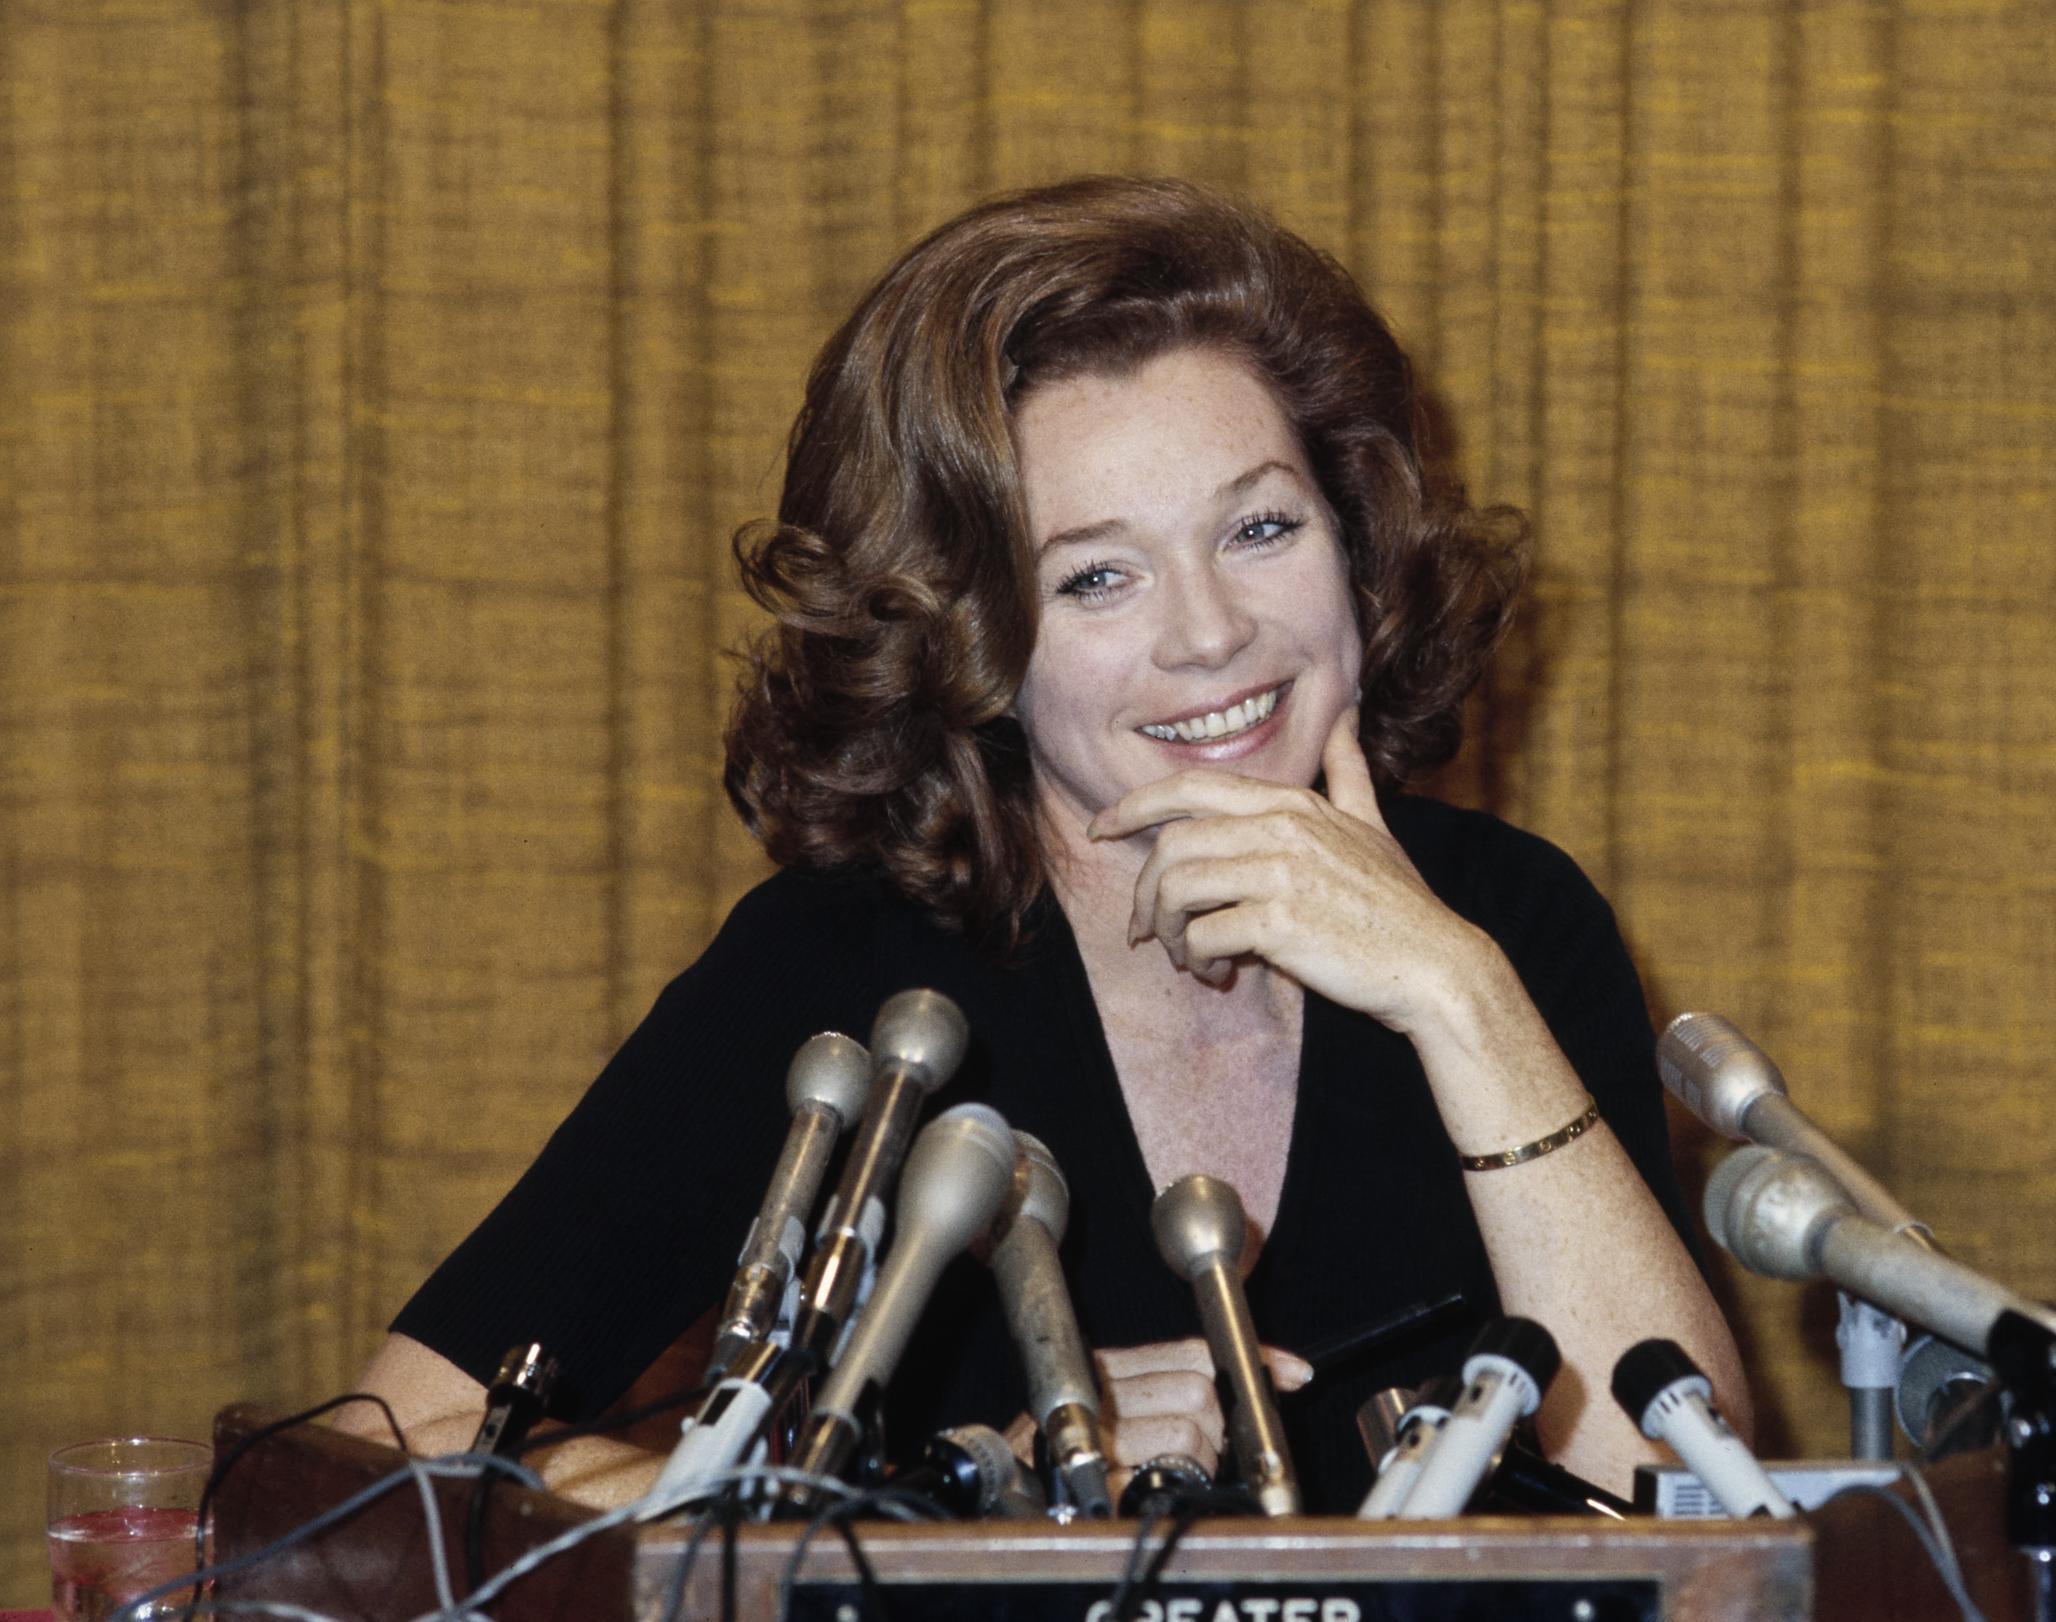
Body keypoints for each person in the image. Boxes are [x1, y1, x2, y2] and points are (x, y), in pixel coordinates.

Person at [342, 176, 1748, 1511]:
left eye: (1261, 527)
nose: (1210, 634)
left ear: (1356, 542)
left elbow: (1687, 1503)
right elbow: (392, 1452)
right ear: (970, 639)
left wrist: (1459, 995)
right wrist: (941, 1506)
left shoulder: (1510, 917)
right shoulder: (845, 973)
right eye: (1097, 577)